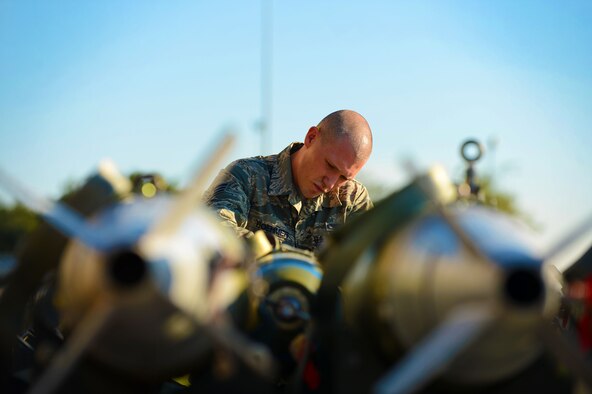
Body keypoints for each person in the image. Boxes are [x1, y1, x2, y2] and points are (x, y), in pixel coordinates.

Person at [203, 109, 373, 252]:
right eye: (330, 165)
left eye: (344, 177)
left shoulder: (352, 200)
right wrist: (271, 252)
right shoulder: (246, 176)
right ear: (311, 137)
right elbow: (213, 231)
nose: (330, 184)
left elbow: (373, 258)